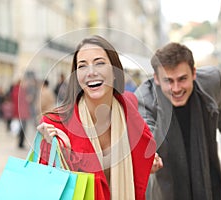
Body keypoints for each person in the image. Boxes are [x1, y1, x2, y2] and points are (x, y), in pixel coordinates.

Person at [36, 35, 156, 200]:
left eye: (99, 63)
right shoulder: (55, 124)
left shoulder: (130, 115)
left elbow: (142, 158)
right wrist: (63, 151)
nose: (91, 72)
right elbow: (48, 188)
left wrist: (151, 161)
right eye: (82, 66)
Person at [134, 42, 221, 200]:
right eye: (169, 81)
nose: (176, 88)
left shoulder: (211, 81)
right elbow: (145, 129)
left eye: (182, 79)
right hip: (169, 173)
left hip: (206, 165)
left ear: (193, 73)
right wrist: (149, 154)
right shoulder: (144, 97)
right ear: (156, 79)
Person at [11, 79, 31, 148]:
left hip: (19, 113)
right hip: (22, 113)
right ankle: (21, 143)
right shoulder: (21, 91)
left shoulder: (16, 90)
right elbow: (23, 102)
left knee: (21, 128)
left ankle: (20, 142)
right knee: (22, 128)